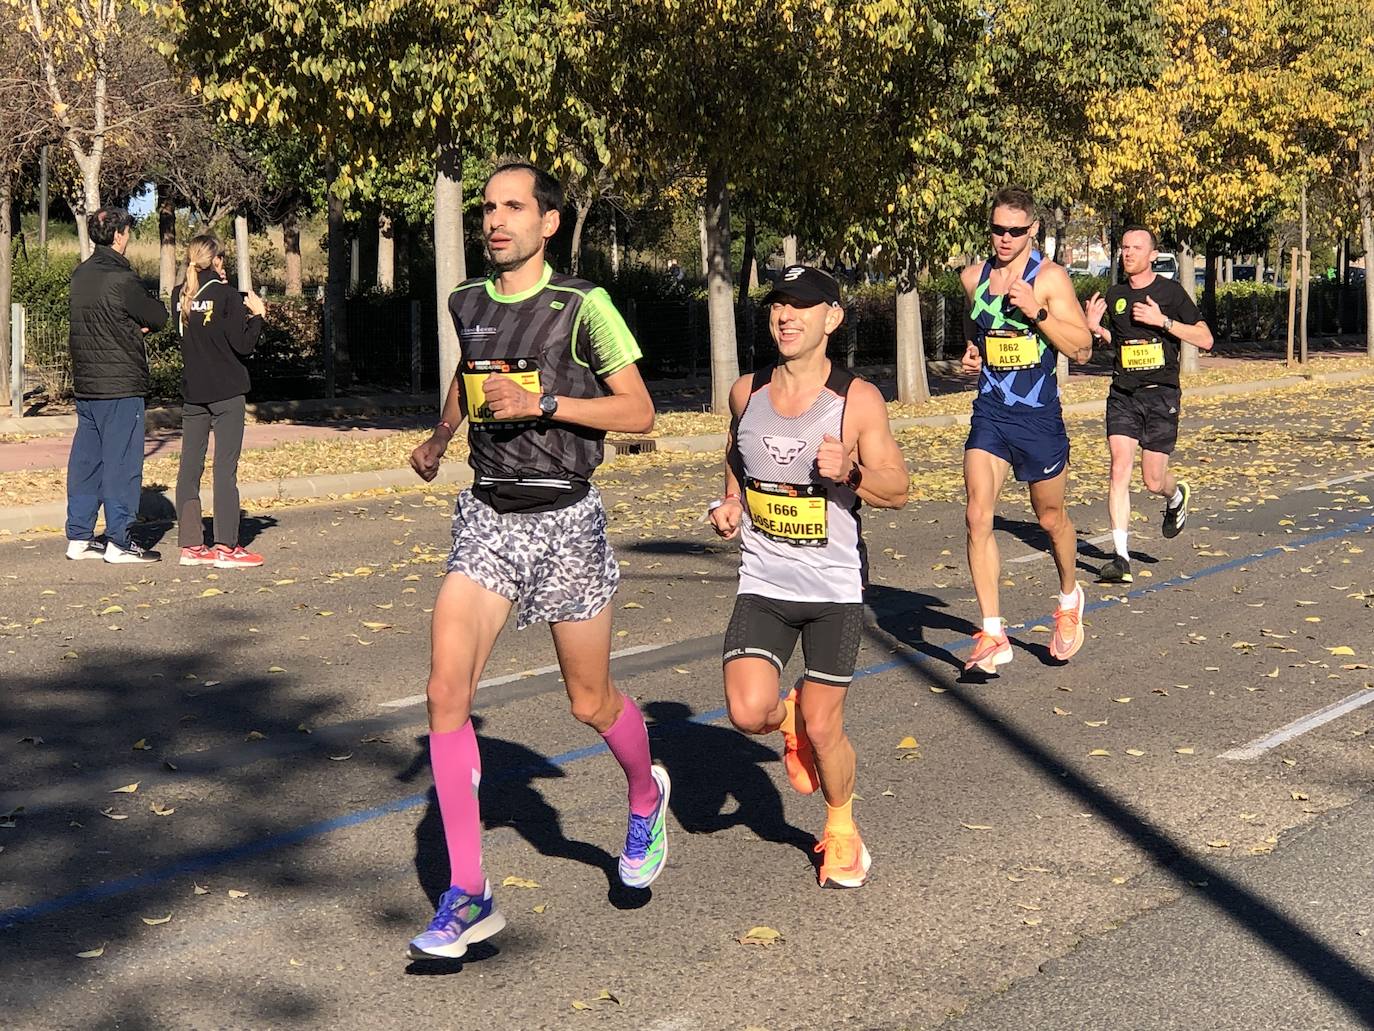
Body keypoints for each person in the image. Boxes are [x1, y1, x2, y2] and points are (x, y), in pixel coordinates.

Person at [404, 163, 665, 960]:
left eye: (513, 207)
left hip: (566, 518)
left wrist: (546, 403)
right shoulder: (467, 302)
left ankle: (647, 794)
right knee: (445, 689)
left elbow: (640, 410)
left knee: (589, 701)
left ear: (548, 223)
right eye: (488, 207)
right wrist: (444, 434)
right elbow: (471, 372)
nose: (496, 220)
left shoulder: (584, 307)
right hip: (489, 513)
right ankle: (470, 892)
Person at [709, 265, 909, 889]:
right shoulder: (746, 392)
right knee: (747, 713)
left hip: (833, 589)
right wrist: (732, 502)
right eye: (777, 304)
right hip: (765, 580)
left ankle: (842, 830)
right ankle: (785, 720)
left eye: (801, 305)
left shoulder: (856, 400)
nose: (785, 315)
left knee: (827, 728)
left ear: (832, 318)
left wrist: (850, 472)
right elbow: (737, 458)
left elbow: (898, 488)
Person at [958, 186, 1093, 673]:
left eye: (1016, 231)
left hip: (1039, 417)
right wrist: (975, 351)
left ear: (1032, 230)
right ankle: (993, 633)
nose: (1005, 238)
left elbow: (1081, 349)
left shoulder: (1051, 279)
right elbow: (980, 331)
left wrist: (1037, 310)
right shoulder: (974, 278)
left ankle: (1068, 597)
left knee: (1050, 519)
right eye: (998, 229)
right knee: (977, 516)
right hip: (992, 413)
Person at [1083, 226, 1214, 582]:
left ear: (1153, 254)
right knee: (1118, 469)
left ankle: (1175, 496)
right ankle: (1121, 558)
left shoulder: (1170, 293)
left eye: (1136, 248)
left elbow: (1206, 339)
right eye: (1124, 247)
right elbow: (1121, 343)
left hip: (1161, 395)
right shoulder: (1116, 294)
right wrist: (1097, 328)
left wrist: (1164, 322)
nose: (1128, 253)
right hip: (1123, 395)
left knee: (1153, 480)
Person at [64, 207, 170, 564]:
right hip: (120, 383)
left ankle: (78, 536)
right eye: (127, 231)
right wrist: (136, 326)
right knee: (121, 462)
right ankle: (120, 541)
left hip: (87, 383)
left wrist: (126, 324)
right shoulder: (122, 279)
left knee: (87, 460)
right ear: (120, 235)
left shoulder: (81, 275)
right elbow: (157, 316)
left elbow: (98, 322)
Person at [174, 234, 268, 569]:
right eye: (222, 259)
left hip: (193, 393)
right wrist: (257, 316)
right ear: (216, 261)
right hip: (227, 393)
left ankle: (191, 545)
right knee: (224, 468)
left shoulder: (179, 297)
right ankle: (226, 546)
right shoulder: (227, 297)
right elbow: (243, 346)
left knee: (190, 467)